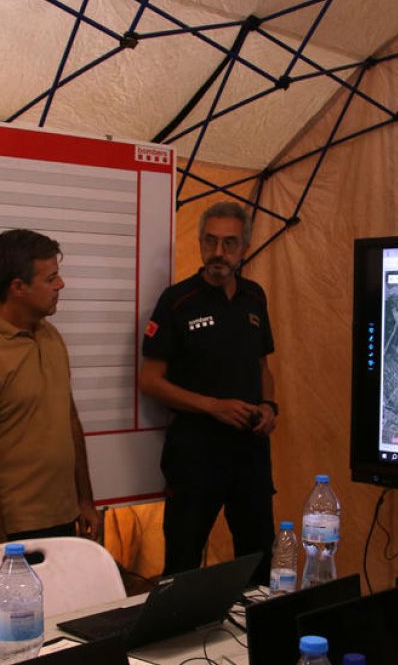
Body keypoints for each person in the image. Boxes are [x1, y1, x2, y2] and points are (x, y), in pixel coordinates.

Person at [139, 201, 278, 585]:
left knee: (259, 561)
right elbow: (149, 381)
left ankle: (253, 641)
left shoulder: (255, 297)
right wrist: (211, 407)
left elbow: (264, 369)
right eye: (211, 241)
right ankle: (176, 641)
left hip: (249, 453)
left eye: (229, 243)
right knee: (182, 566)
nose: (218, 252)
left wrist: (269, 407)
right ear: (200, 244)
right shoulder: (176, 300)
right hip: (194, 456)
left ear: (244, 248)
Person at [0, 229, 101, 547]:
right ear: (18, 287)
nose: (60, 285)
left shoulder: (50, 335)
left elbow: (69, 420)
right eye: (51, 279)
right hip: (16, 530)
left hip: (63, 516)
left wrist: (85, 501)